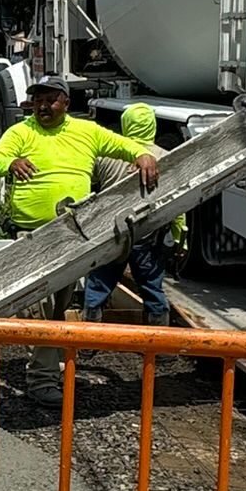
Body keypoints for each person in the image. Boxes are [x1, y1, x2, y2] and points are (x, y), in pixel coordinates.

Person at [0, 74, 160, 403]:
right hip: (32, 235)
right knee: (42, 305)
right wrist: (11, 162)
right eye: (37, 99)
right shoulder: (22, 132)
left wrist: (143, 155)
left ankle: (44, 366)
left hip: (73, 232)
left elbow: (124, 146)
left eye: (50, 99)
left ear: (66, 103)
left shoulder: (85, 131)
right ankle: (42, 380)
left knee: (57, 305)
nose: (43, 105)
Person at [84, 103, 172, 326]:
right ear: (153, 125)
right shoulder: (166, 157)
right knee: (152, 287)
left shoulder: (106, 157)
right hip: (148, 232)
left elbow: (88, 188)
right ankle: (161, 346)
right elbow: (176, 202)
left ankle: (88, 341)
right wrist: (180, 236)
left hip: (112, 232)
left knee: (98, 285)